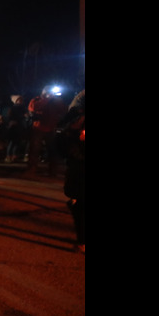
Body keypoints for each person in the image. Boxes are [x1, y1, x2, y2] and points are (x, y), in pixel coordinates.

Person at [58, 89, 85, 253]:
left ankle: (82, 240)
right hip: (79, 166)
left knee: (80, 204)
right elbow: (61, 141)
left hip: (80, 167)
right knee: (79, 202)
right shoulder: (76, 118)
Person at [26, 86, 68, 176]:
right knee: (34, 149)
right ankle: (32, 168)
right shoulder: (37, 100)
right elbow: (33, 108)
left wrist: (57, 100)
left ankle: (53, 170)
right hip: (38, 128)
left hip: (51, 128)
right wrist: (46, 99)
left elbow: (64, 109)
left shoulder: (55, 102)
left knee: (52, 150)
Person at [3, 95, 28, 162]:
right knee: (12, 142)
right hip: (14, 126)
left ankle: (14, 156)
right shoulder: (13, 108)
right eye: (19, 100)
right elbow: (9, 117)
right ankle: (9, 156)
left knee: (17, 142)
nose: (20, 101)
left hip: (20, 126)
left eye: (21, 100)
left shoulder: (23, 108)